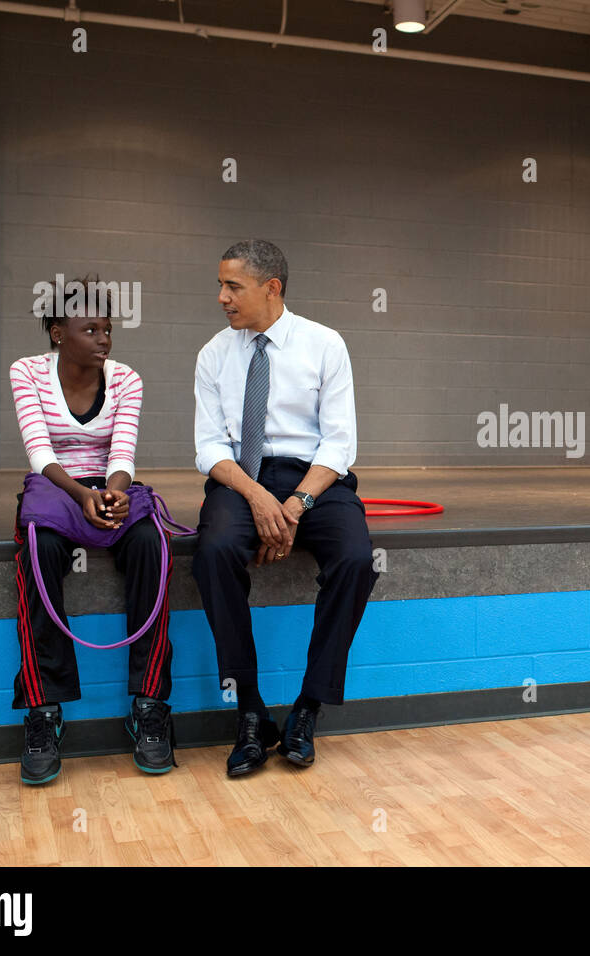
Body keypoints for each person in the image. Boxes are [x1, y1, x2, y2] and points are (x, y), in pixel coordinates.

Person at [192, 239, 379, 777]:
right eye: (220, 286)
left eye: (234, 287)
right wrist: (256, 497)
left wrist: (295, 504)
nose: (222, 298)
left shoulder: (325, 345)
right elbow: (209, 449)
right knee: (214, 552)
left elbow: (340, 444)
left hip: (314, 479)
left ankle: (307, 708)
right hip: (241, 478)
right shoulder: (213, 354)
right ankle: (250, 710)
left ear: (271, 288)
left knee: (355, 560)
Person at [9, 276, 174, 785]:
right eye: (91, 329)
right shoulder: (27, 372)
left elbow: (122, 451)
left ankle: (149, 705)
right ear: (58, 332)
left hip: (108, 484)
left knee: (152, 542)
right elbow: (40, 453)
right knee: (39, 548)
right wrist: (82, 497)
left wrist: (115, 492)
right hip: (55, 486)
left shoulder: (127, 379)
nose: (104, 339)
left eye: (108, 329)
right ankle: (44, 711)